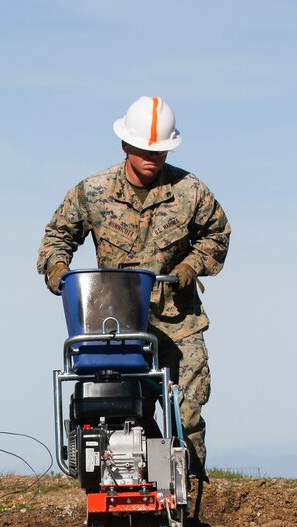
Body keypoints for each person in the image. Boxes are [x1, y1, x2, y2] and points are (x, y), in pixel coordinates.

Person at [37, 96, 230, 481]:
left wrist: (191, 266)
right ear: (125, 145)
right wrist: (58, 270)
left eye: (160, 151)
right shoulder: (92, 192)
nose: (151, 158)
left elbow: (217, 234)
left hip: (177, 322)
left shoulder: (190, 192)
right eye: (143, 149)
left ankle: (187, 499)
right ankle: (115, 489)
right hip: (115, 323)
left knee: (187, 413)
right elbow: (56, 237)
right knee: (114, 406)